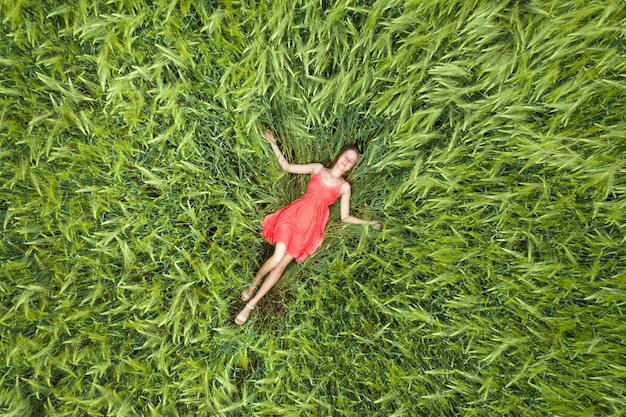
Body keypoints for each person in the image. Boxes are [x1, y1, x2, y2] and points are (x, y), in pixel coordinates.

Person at [235, 127, 383, 325]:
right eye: (346, 156)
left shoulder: (344, 187)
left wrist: (370, 223)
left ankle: (251, 304)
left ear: (351, 167)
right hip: (294, 215)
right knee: (277, 257)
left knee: (279, 268)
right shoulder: (318, 169)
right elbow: (287, 167)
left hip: (309, 229)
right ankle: (253, 284)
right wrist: (272, 142)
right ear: (340, 155)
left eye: (352, 161)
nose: (347, 161)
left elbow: (345, 217)